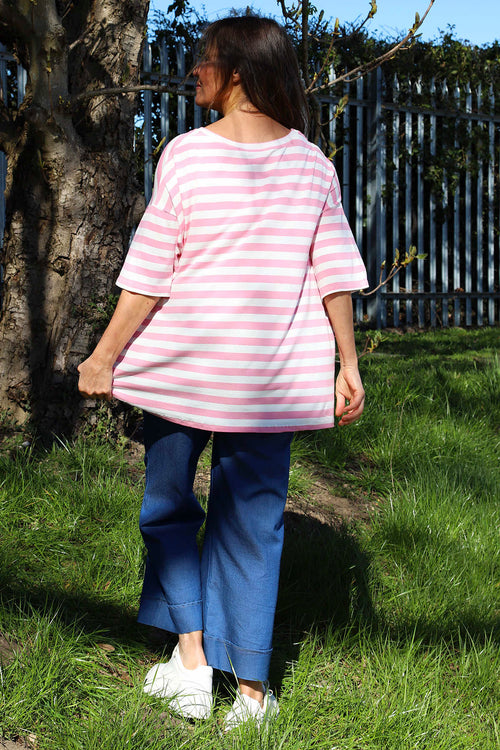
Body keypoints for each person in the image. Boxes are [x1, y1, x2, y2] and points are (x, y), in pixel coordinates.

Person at [77, 15, 368, 731]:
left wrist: (103, 355)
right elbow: (334, 272)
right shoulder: (313, 164)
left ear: (236, 71)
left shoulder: (185, 155)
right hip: (270, 382)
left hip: (184, 370)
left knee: (169, 507)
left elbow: (152, 269)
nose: (193, 71)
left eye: (203, 59)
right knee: (256, 526)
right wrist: (347, 363)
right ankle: (250, 696)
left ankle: (191, 662)